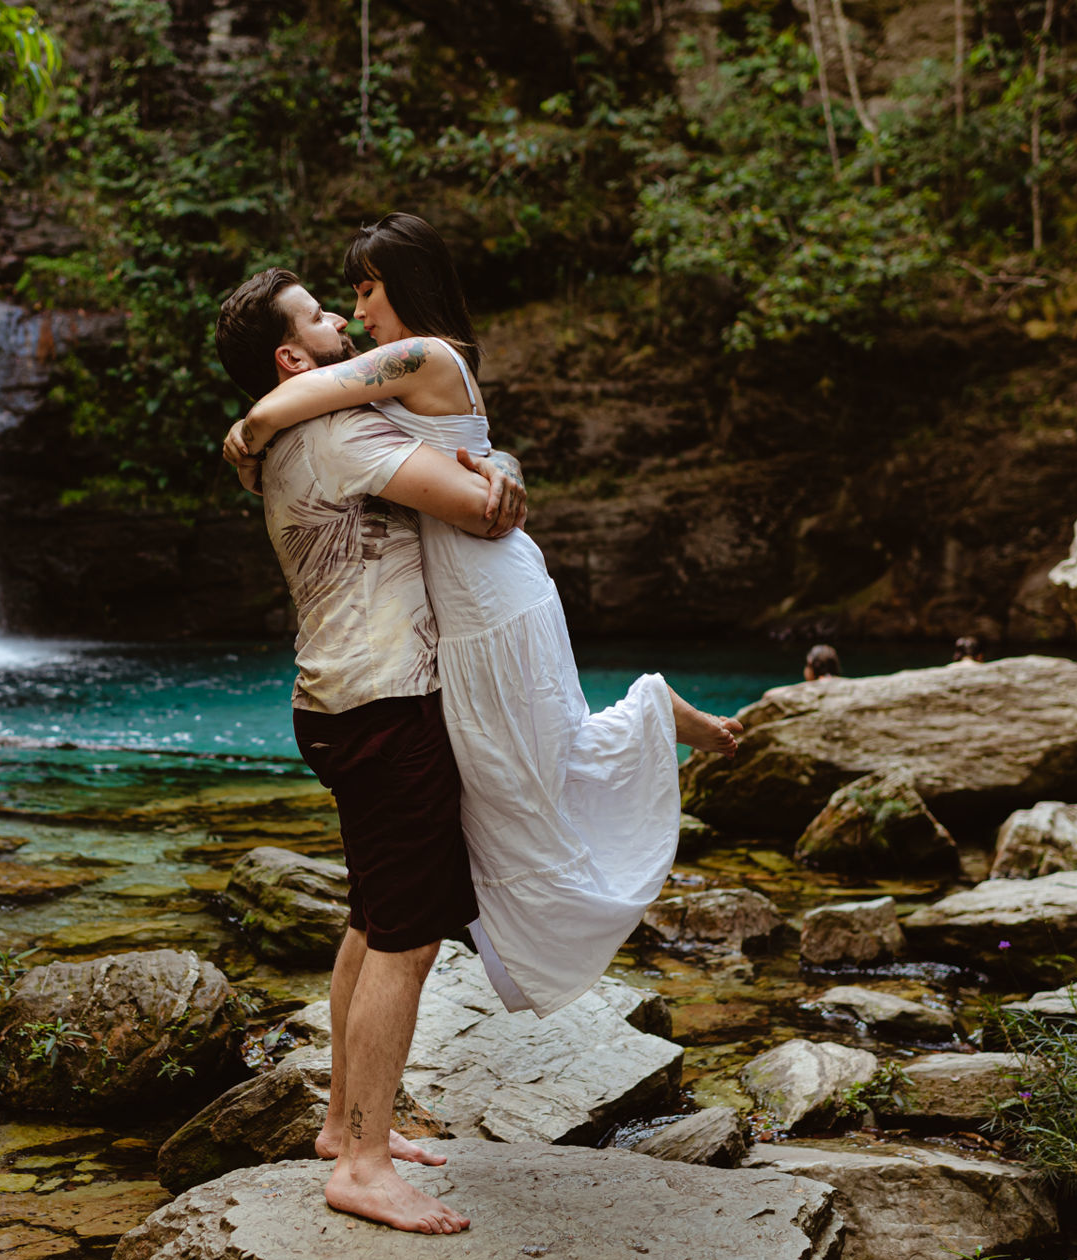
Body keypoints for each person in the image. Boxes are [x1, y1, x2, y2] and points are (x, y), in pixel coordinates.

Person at [222, 212, 740, 1023]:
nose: (354, 314)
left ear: (409, 285)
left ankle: (647, 713)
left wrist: (251, 423)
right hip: (454, 600)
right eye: (341, 301)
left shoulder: (422, 355)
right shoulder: (396, 380)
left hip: (488, 588)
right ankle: (644, 715)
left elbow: (320, 396)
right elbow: (458, 441)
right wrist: (502, 461)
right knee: (512, 771)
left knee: (524, 765)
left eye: (364, 290)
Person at [215, 265, 525, 1236]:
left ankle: (343, 1124)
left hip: (333, 699)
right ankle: (361, 1161)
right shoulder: (342, 429)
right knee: (408, 934)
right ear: (291, 356)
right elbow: (482, 512)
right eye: (320, 314)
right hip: (386, 702)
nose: (345, 318)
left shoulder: (282, 441)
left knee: (370, 913)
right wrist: (499, 473)